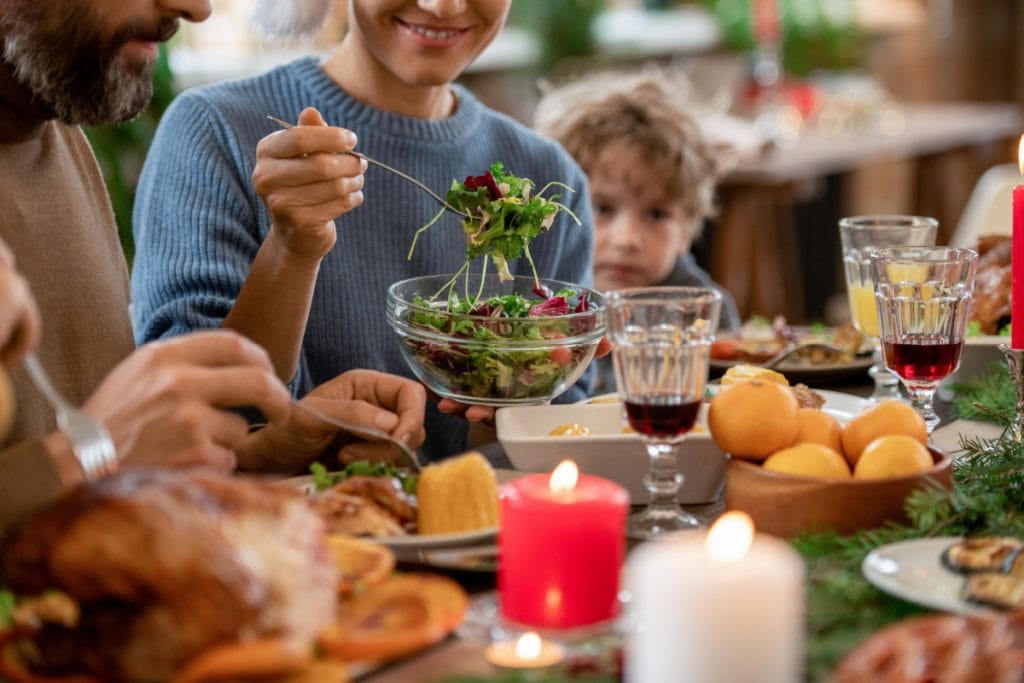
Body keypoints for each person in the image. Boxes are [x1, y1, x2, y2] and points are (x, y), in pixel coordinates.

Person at [0, 0, 426, 539]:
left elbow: (101, 495)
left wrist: (257, 454)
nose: (196, 9)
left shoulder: (54, 129)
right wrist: (96, 454)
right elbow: (95, 459)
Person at [130, 0, 595, 460]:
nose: (442, 5)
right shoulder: (216, 130)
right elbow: (190, 417)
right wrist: (292, 248)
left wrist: (514, 402)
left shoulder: (547, 179)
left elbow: (561, 454)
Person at [533, 69, 741, 392]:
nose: (626, 240)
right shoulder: (534, 302)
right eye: (602, 208)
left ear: (686, 231)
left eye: (656, 214)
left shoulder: (702, 314)